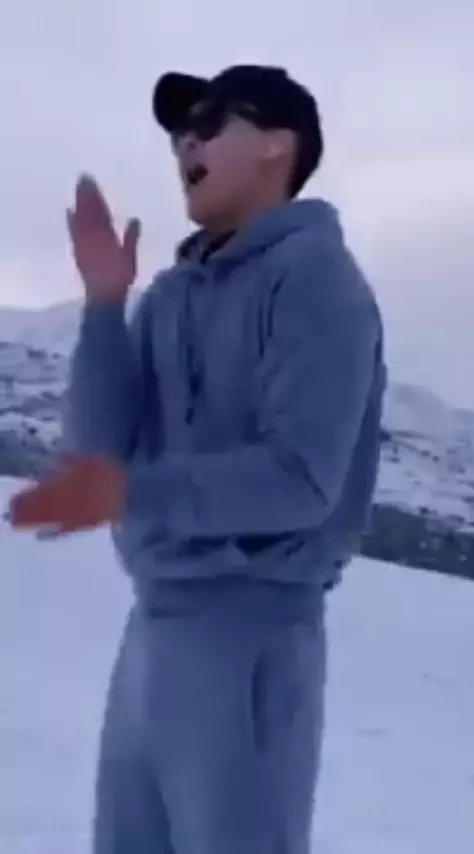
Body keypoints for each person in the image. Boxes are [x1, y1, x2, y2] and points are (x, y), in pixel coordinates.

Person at [10, 65, 386, 854]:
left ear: (277, 145)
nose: (187, 141)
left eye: (211, 122)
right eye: (180, 131)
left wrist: (130, 490)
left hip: (252, 631)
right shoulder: (168, 296)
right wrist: (105, 305)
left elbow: (300, 481)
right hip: (153, 630)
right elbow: (97, 454)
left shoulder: (315, 277)